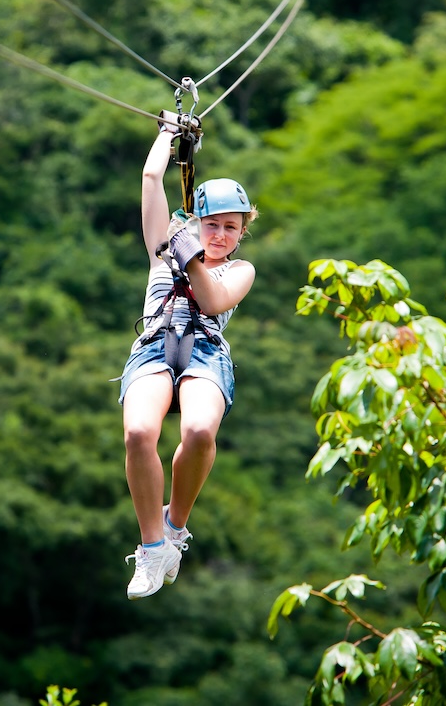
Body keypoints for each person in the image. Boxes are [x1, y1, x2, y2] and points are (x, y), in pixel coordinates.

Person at [117, 126, 258, 600]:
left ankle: (175, 526)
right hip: (156, 343)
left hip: (205, 351)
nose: (219, 236)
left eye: (230, 228)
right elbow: (152, 176)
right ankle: (152, 547)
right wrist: (166, 132)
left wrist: (192, 257)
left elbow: (214, 301)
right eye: (211, 224)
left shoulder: (239, 270)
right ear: (196, 222)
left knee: (198, 431)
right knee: (139, 433)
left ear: (241, 234)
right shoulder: (163, 248)